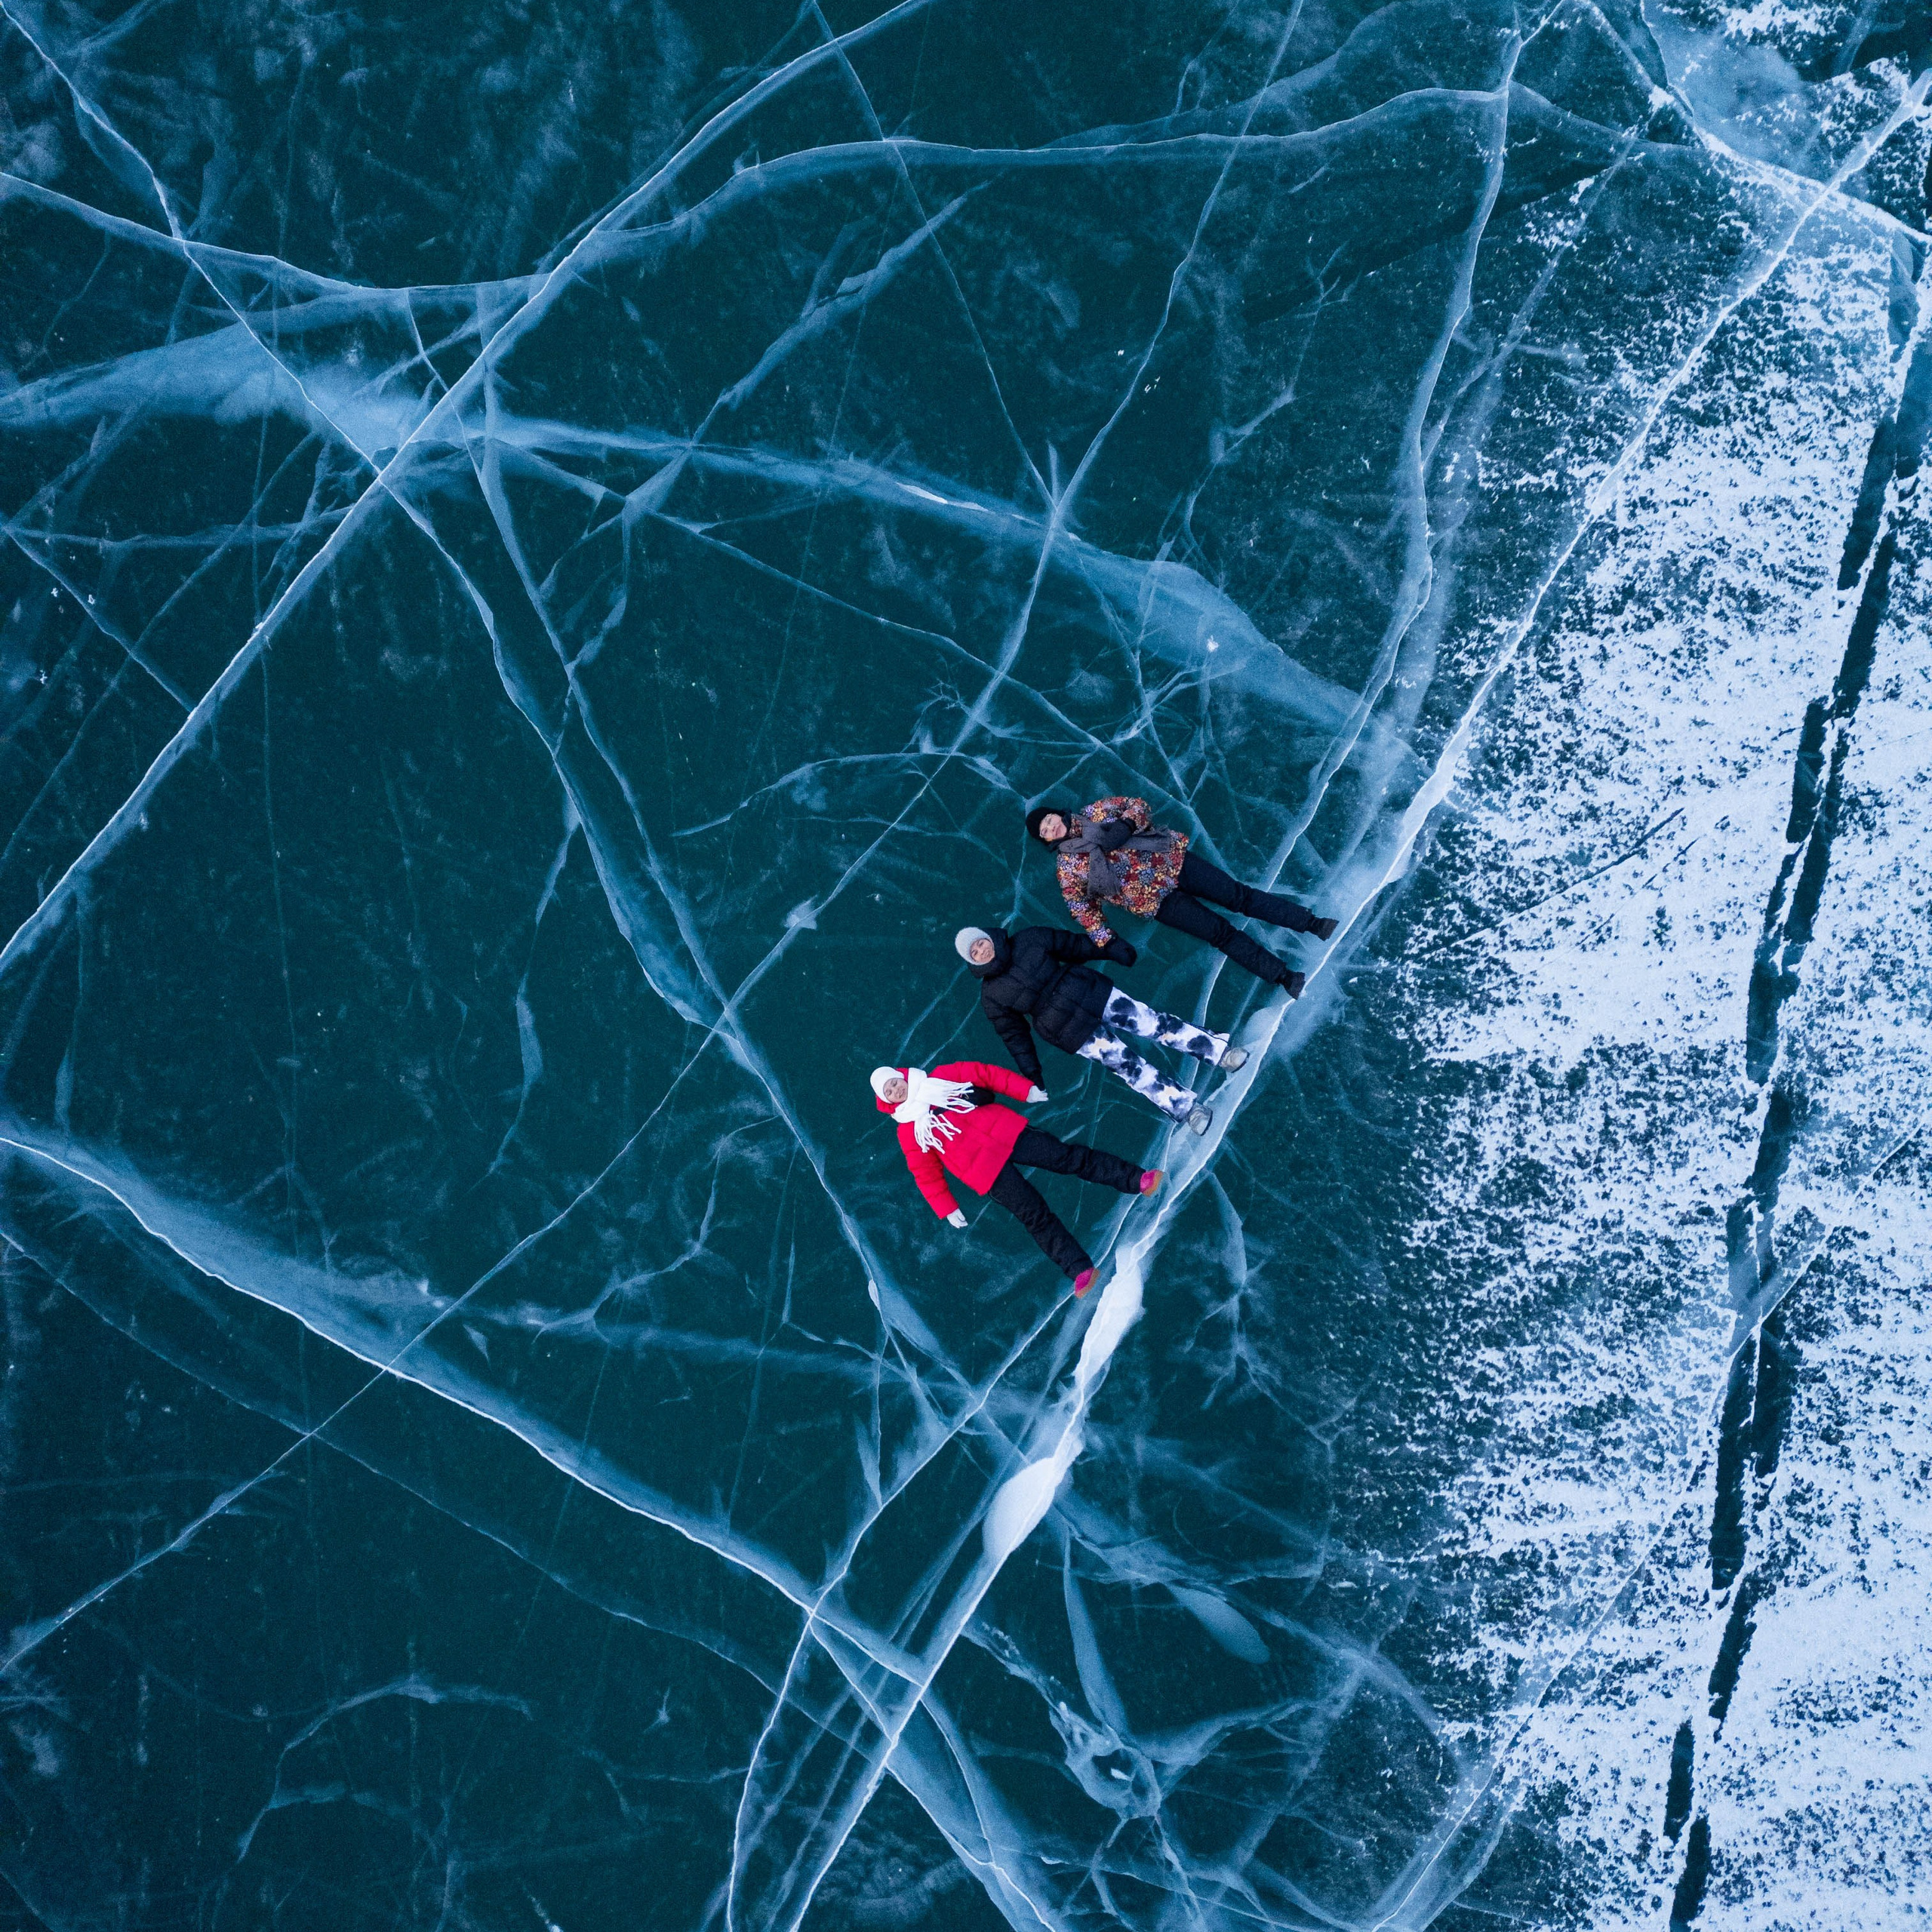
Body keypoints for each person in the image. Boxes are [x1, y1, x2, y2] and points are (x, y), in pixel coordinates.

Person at [870, 1062, 1161, 1296]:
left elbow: (986, 1074)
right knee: (1034, 1216)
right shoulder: (908, 1130)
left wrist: (1024, 1090)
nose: (896, 1090)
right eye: (889, 1092)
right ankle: (1079, 1269)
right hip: (985, 1171)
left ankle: (1137, 1180)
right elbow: (924, 1171)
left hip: (1008, 1133)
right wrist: (946, 1207)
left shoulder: (942, 1076)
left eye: (894, 1082)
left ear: (901, 1075)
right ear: (887, 1102)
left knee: (1069, 1158)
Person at [1025, 795, 1337, 995]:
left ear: (1058, 815)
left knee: (1241, 898)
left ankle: (1314, 924)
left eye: (1049, 821)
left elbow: (1138, 804)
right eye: (1045, 832)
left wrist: (1125, 825)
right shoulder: (1067, 868)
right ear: (1046, 841)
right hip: (1157, 902)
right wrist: (1108, 941)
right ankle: (1284, 977)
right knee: (1221, 935)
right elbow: (1082, 908)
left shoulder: (1095, 812)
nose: (1051, 829)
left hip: (1174, 860)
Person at [955, 924, 1244, 1137]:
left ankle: (1220, 1053)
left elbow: (1073, 946)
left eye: (980, 942)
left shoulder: (1029, 939)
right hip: (1069, 1031)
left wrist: (1110, 949)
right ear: (972, 961)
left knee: (1154, 1024)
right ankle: (1188, 1109)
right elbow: (1014, 1035)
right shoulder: (991, 996)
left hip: (1093, 992)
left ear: (988, 936)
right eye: (974, 952)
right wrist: (1032, 1074)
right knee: (1129, 1068)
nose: (981, 950)